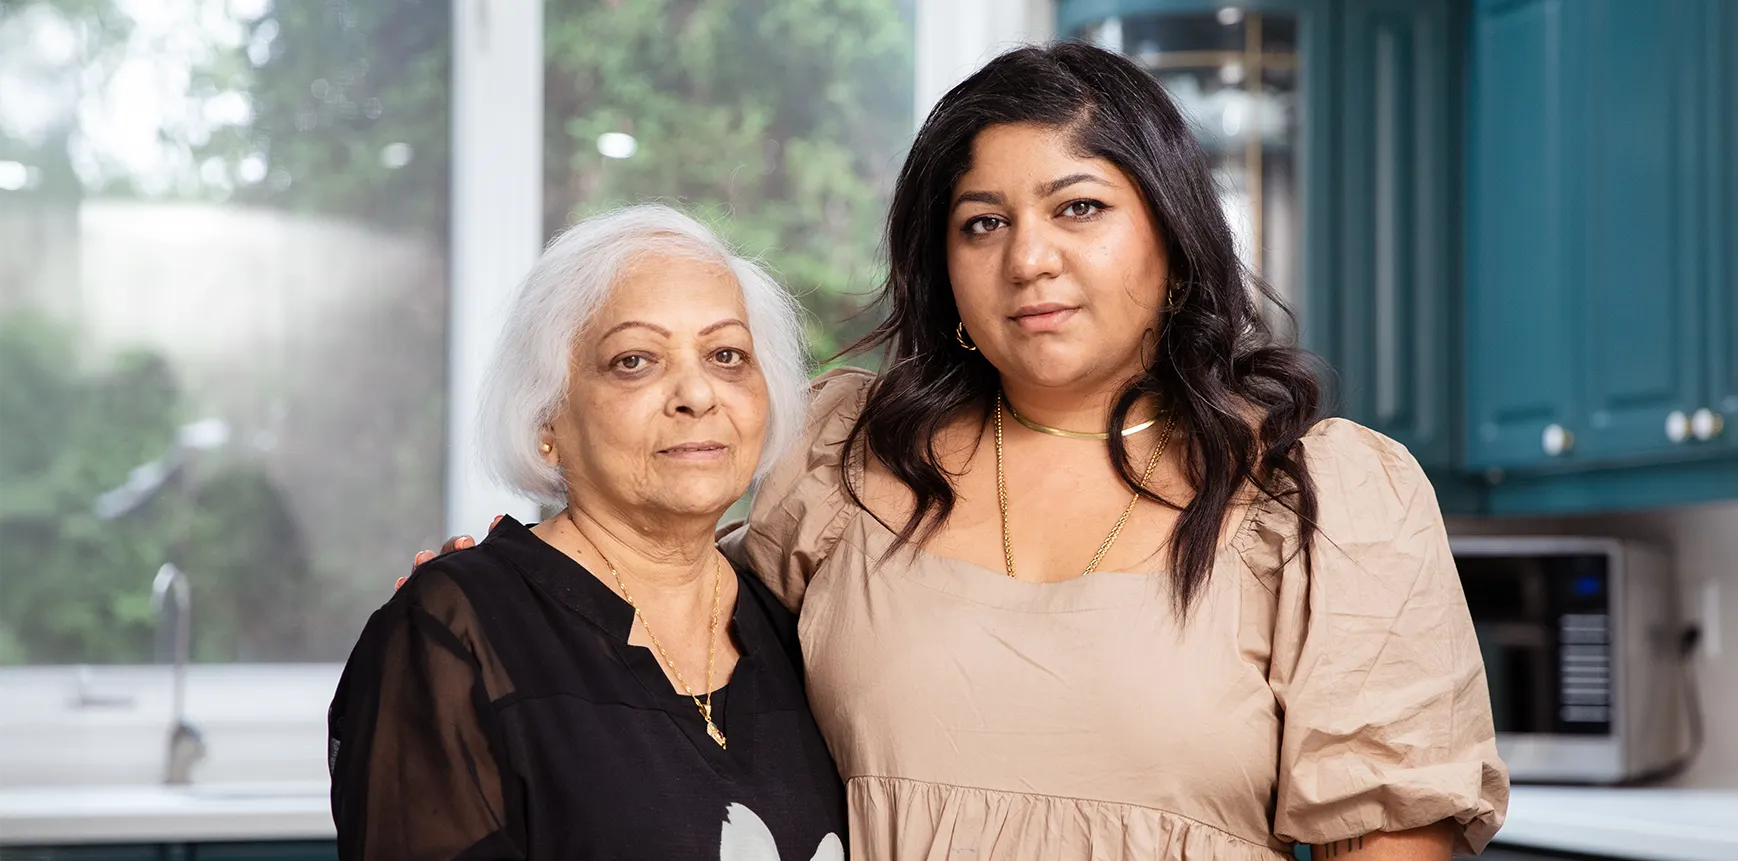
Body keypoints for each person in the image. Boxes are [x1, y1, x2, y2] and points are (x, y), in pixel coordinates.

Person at [428, 43, 1506, 860]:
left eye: (1079, 207)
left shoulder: (1322, 498)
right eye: (982, 223)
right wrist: (501, 602)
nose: (1029, 258)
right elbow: (673, 633)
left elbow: (1393, 845)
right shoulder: (848, 461)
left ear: (1177, 244)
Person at [332, 204, 846, 860]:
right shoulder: (453, 633)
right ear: (547, 418)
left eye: (726, 355)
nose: (697, 394)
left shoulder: (800, 627)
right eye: (635, 360)